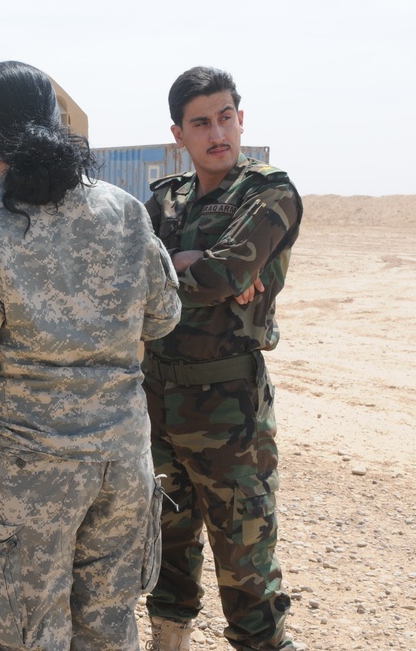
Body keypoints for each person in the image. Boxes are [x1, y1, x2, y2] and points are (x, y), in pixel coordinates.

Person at [0, 60, 181, 651]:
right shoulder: (126, 210)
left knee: (32, 631)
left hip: (34, 471)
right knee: (110, 626)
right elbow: (164, 317)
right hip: (121, 460)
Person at [141, 67, 303, 651]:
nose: (217, 132)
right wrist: (190, 263)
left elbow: (226, 271)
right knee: (166, 540)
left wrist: (186, 264)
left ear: (241, 118)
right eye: (201, 122)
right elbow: (132, 275)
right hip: (157, 400)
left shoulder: (268, 192)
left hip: (230, 410)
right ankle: (168, 640)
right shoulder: (166, 200)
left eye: (226, 116)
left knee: (245, 555)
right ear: (178, 134)